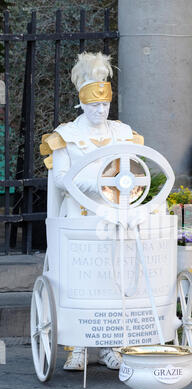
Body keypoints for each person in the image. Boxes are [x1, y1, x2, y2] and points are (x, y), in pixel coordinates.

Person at [40, 51, 144, 371]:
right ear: (82, 102)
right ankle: (78, 346)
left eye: (105, 104)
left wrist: (122, 186)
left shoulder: (123, 133)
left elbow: (137, 171)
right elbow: (60, 179)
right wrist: (97, 182)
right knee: (78, 282)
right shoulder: (66, 136)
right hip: (79, 219)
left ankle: (112, 344)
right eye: (94, 104)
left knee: (114, 279)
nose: (101, 110)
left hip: (116, 217)